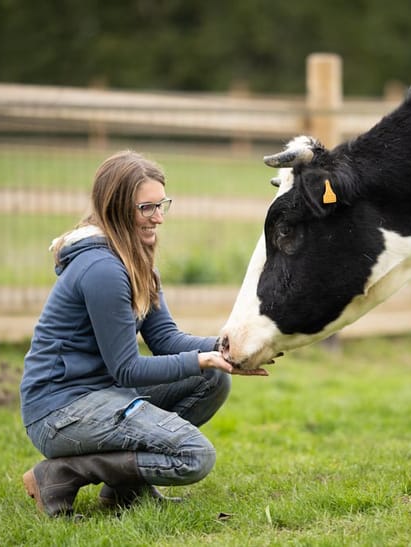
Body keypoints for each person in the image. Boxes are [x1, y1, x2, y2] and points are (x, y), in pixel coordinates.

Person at [19, 150, 266, 518]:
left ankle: (124, 491)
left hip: (101, 396)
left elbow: (165, 339)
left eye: (161, 204)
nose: (159, 217)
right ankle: (62, 473)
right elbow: (127, 370)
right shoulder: (101, 269)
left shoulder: (134, 259)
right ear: (116, 208)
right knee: (193, 457)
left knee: (211, 379)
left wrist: (227, 348)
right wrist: (200, 358)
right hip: (59, 410)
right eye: (146, 208)